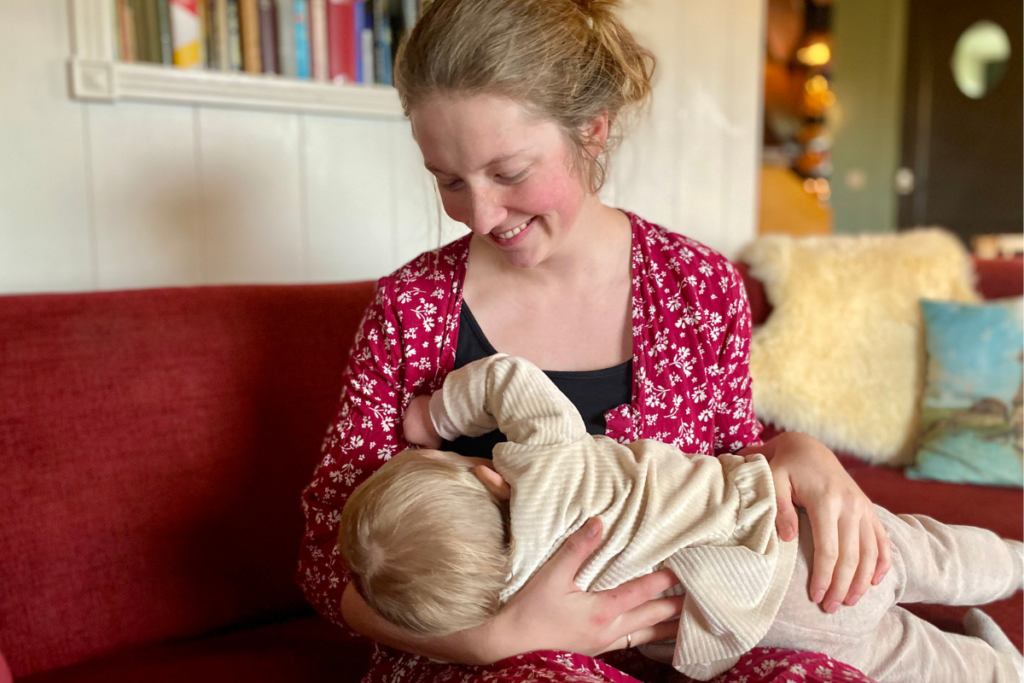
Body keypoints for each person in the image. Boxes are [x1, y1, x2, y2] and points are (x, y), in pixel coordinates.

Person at [297, 0, 894, 680]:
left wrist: (800, 451)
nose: (482, 214)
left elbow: (730, 461)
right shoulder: (412, 308)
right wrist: (490, 639)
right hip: (485, 667)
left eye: (510, 172)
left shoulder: (698, 286)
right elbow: (324, 557)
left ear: (593, 129)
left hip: (695, 649)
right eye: (449, 181)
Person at [338, 354, 1024, 682]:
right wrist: (437, 415)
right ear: (487, 471)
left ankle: (1001, 669)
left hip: (752, 635)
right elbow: (508, 380)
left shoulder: (525, 602)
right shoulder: (543, 458)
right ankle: (1013, 563)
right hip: (794, 536)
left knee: (917, 662)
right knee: (938, 555)